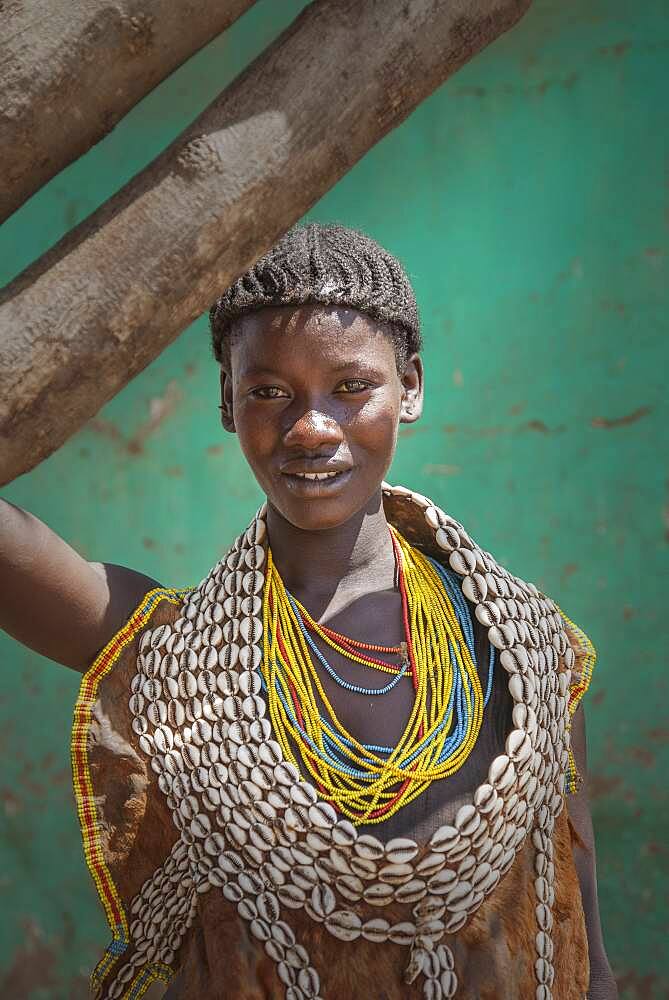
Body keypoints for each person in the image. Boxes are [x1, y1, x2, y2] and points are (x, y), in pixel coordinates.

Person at [0, 224, 617, 1000]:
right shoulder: (175, 652)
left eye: (350, 387)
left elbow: (575, 886)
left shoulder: (526, 646)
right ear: (228, 403)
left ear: (411, 388)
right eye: (268, 392)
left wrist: (599, 978)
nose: (310, 426)